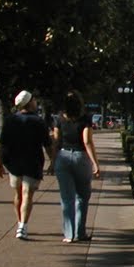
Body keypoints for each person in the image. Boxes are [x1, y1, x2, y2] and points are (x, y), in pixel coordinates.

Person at [0, 90, 55, 240]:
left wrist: (0, 163)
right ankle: (23, 225)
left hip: (14, 163)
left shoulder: (10, 120)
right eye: (34, 100)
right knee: (27, 194)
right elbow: (47, 144)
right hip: (33, 162)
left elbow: (3, 144)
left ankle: (20, 224)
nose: (36, 102)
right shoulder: (38, 121)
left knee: (18, 193)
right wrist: (53, 161)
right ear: (29, 103)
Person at [50, 90, 100, 243]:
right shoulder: (85, 118)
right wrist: (95, 163)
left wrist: (52, 161)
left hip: (63, 157)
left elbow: (56, 141)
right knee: (82, 197)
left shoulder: (59, 118)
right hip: (80, 157)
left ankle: (68, 235)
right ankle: (80, 232)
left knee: (66, 198)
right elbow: (87, 141)